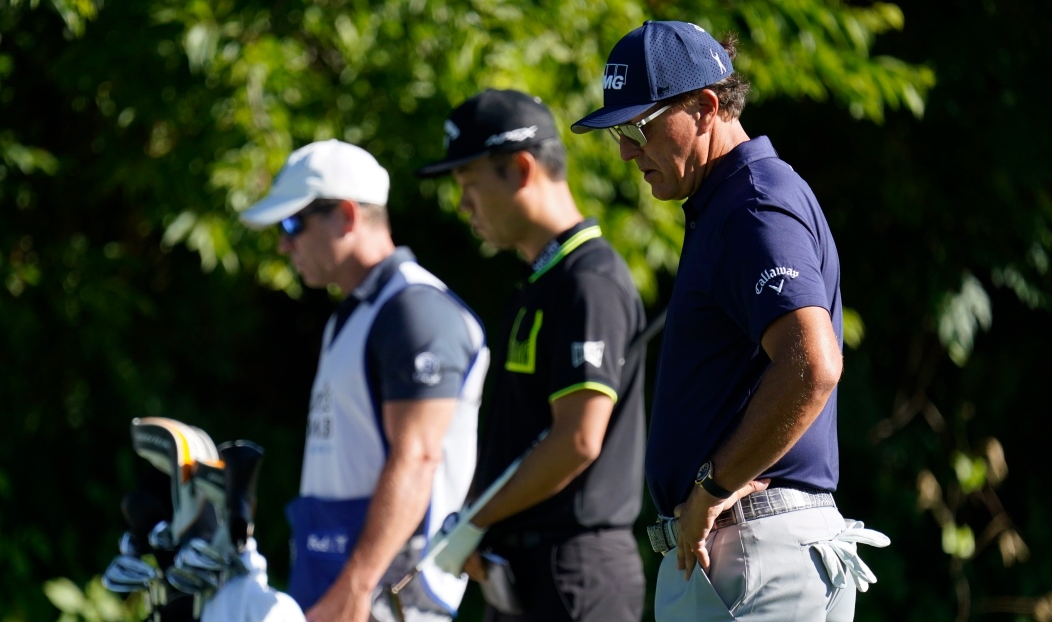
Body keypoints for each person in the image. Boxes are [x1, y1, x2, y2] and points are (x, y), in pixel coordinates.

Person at [571, 20, 889, 622]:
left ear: (706, 107)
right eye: (618, 131)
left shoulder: (753, 203)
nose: (625, 151)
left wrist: (711, 488)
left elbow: (812, 364)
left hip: (753, 549)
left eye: (639, 127)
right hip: (749, 551)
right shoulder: (728, 202)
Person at [415, 89, 647, 622]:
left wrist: (474, 520)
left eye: (470, 185)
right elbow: (517, 435)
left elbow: (578, 439)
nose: (463, 204)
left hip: (577, 574)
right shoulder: (539, 283)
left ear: (520, 169)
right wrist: (475, 519)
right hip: (527, 567)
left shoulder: (589, 281)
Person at [238, 139, 489, 622]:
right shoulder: (355, 313)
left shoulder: (415, 311)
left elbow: (417, 458)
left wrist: (357, 586)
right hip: (343, 579)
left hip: (384, 596)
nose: (283, 243)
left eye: (293, 224)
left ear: (347, 216)